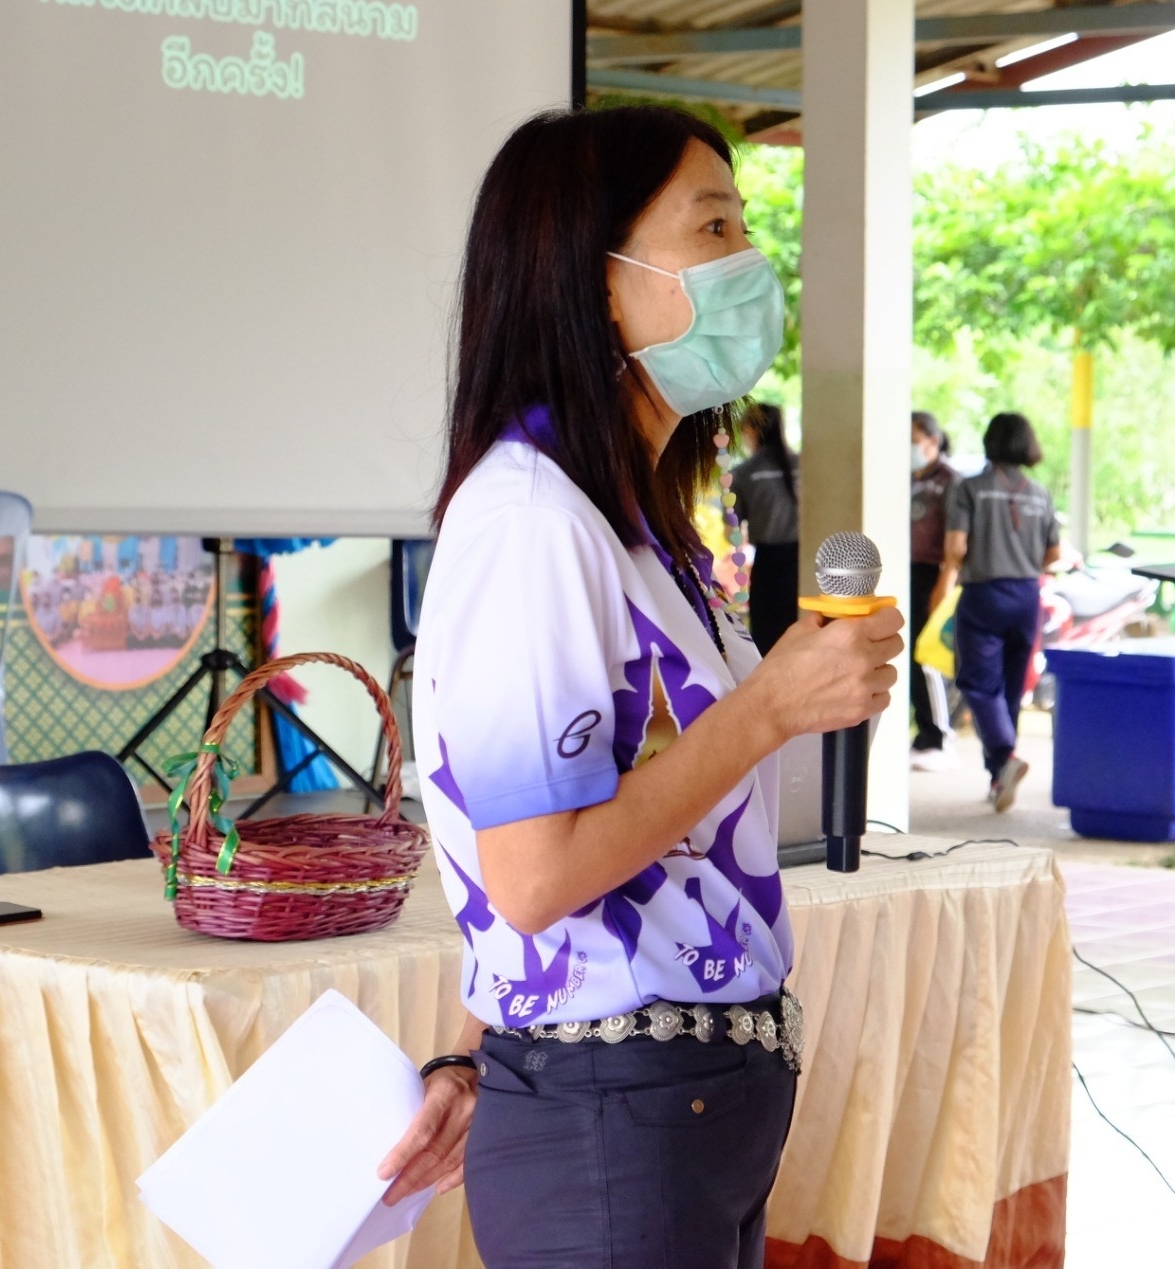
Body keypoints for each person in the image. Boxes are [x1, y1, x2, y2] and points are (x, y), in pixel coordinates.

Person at [378, 105, 903, 1269]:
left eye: (743, 224)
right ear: (594, 279)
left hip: (675, 1097)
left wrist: (483, 1048)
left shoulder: (630, 522)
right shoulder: (528, 522)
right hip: (613, 1114)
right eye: (710, 227)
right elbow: (534, 876)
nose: (747, 263)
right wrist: (769, 706)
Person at [938, 412, 1060, 812]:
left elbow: (956, 547)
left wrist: (967, 565)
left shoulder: (969, 488)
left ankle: (1005, 756)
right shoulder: (1040, 493)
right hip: (1027, 597)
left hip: (984, 593)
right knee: (1009, 689)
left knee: (976, 682)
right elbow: (1054, 553)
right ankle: (998, 779)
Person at [908, 411, 959, 770]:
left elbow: (956, 541)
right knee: (910, 654)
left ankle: (938, 735)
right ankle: (923, 733)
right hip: (904, 571)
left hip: (935, 574)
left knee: (927, 657)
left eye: (913, 440)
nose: (908, 448)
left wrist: (944, 583)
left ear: (932, 440)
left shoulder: (951, 482)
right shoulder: (904, 477)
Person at [731, 402, 799, 654]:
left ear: (751, 430)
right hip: (810, 562)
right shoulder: (806, 465)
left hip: (770, 565)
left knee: (769, 639)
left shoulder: (742, 473)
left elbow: (733, 532)